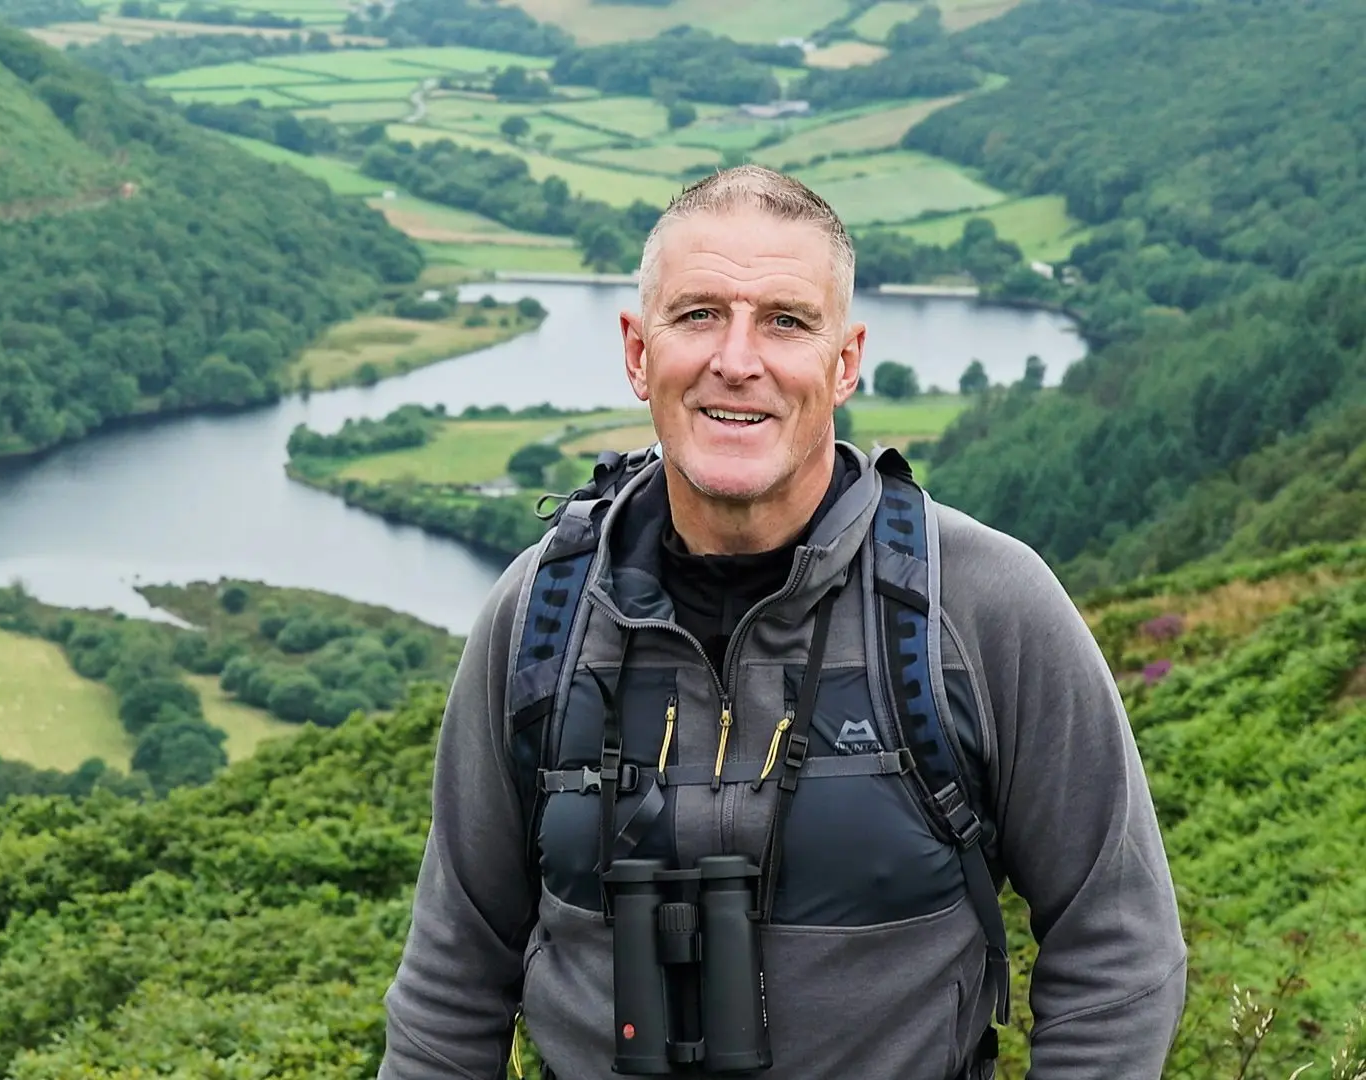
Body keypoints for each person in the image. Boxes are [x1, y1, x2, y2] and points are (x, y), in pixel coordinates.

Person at [376, 165, 1187, 1080]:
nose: (737, 359)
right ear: (638, 350)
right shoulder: (540, 618)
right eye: (698, 315)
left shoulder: (983, 608)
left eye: (786, 321)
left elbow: (1119, 952)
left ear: (845, 361)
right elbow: (455, 973)